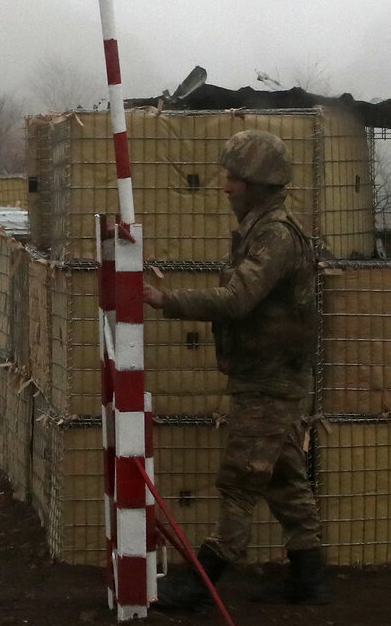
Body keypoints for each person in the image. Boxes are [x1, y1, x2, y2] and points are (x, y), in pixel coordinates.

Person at [142, 129, 330, 611]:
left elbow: (237, 299)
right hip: (267, 377)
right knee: (284, 479)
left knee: (240, 480)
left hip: (271, 382)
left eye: (235, 179)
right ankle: (310, 579)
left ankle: (203, 582)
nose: (226, 187)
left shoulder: (275, 236)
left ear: (260, 185)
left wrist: (167, 300)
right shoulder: (261, 228)